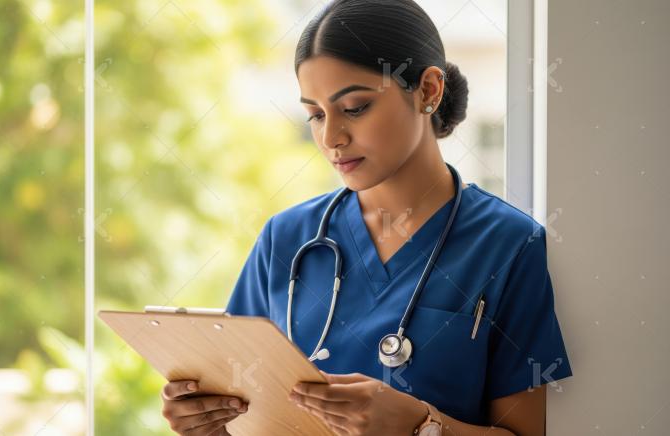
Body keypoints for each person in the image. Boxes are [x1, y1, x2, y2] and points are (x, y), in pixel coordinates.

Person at [160, 1, 572, 434]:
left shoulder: (507, 244)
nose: (331, 137)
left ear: (429, 91)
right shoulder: (285, 239)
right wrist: (205, 425)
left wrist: (419, 426)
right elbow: (245, 412)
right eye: (316, 114)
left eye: (354, 107)